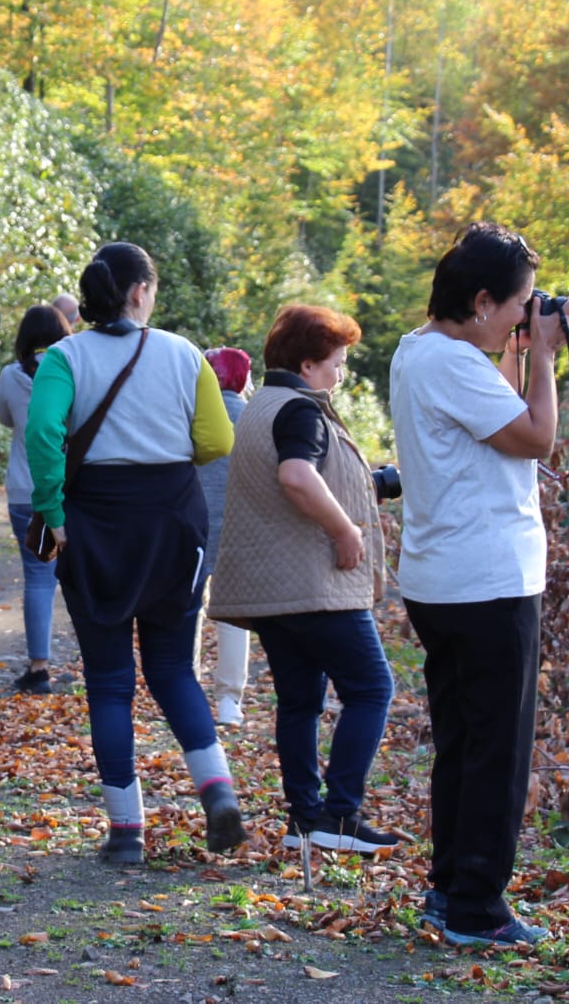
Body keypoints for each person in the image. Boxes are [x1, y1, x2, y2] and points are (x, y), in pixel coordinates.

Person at [24, 241, 244, 864]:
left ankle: (126, 832)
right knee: (172, 668)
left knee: (109, 680)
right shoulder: (184, 354)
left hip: (95, 524)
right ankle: (217, 790)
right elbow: (216, 440)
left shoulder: (63, 357)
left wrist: (53, 512)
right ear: (141, 292)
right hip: (172, 520)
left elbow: (42, 433)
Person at [389, 221, 569, 947]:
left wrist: (523, 350)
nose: (528, 314)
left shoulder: (419, 350)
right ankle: (477, 908)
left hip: (443, 578)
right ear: (483, 300)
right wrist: (545, 357)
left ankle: (450, 890)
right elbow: (535, 437)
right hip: (489, 580)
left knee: (464, 743)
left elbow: (498, 416)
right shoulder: (453, 364)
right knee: (498, 751)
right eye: (521, 303)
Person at [209, 306, 400, 856]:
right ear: (309, 364)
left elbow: (295, 478)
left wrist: (373, 484)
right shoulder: (301, 410)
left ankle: (305, 818)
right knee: (371, 689)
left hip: (275, 587)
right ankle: (340, 814)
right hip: (313, 584)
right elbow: (296, 475)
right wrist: (344, 530)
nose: (340, 375)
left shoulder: (261, 405)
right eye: (336, 364)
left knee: (299, 701)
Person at [0, 304, 73, 694]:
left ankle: (39, 667)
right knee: (81, 575)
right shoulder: (73, 370)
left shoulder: (10, 376)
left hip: (25, 490)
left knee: (38, 577)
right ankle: (98, 658)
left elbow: (4, 418)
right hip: (70, 488)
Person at [194, 346, 254, 726]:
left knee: (191, 610)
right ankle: (230, 699)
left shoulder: (192, 415)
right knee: (233, 617)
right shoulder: (254, 418)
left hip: (195, 528)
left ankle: (187, 685)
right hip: (239, 530)